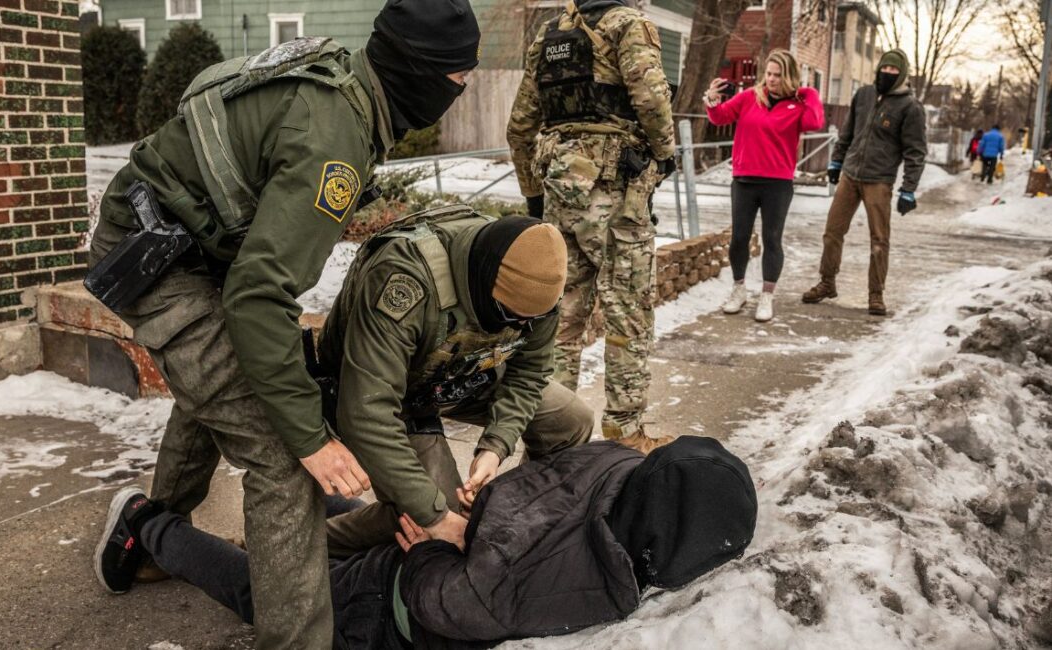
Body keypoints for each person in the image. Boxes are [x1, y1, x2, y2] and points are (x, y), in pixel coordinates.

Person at [86, 1, 480, 646]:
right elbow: (258, 298)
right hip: (156, 258)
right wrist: (310, 440)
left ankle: (151, 533)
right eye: (456, 82)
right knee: (285, 463)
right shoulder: (335, 142)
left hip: (192, 240)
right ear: (418, 72)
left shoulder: (346, 84)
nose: (457, 96)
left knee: (237, 382)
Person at [95, 436, 759, 648]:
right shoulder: (594, 583)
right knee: (261, 593)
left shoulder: (616, 467)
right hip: (391, 607)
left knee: (361, 529)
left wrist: (457, 533)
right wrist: (436, 552)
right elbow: (449, 603)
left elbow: (536, 486)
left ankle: (302, 495)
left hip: (454, 539)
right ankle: (146, 524)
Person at [313, 206, 593, 557]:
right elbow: (366, 412)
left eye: (533, 320)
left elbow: (529, 373)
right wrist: (434, 516)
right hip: (388, 395)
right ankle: (308, 545)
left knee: (570, 421)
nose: (523, 327)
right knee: (434, 514)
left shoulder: (538, 289)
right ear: (485, 281)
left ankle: (516, 519)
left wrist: (495, 446)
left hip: (460, 374)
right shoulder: (405, 279)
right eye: (511, 316)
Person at [506, 0, 677, 450]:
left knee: (559, 319)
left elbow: (520, 126)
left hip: (561, 188)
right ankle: (625, 431)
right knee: (628, 313)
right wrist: (663, 155)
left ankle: (553, 435)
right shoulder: (629, 25)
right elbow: (652, 99)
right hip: (616, 192)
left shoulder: (549, 35)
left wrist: (532, 192)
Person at [801, 49, 927, 317]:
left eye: (894, 71)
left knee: (879, 240)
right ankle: (827, 282)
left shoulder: (910, 107)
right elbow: (847, 133)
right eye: (885, 69)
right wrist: (836, 162)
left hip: (879, 181)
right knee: (832, 231)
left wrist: (908, 189)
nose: (888, 74)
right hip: (850, 175)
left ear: (901, 74)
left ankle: (876, 294)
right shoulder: (864, 95)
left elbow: (916, 152)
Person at [703, 50, 824, 322]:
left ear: (789, 76)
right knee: (739, 238)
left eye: (778, 75)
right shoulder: (749, 98)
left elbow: (815, 122)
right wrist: (711, 99)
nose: (771, 79)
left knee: (771, 239)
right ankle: (739, 289)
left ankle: (767, 296)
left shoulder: (798, 105)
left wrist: (808, 93)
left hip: (777, 184)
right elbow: (719, 117)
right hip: (744, 180)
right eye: (769, 73)